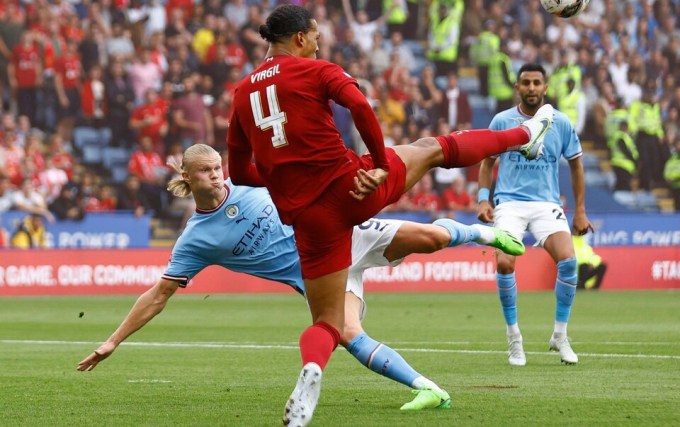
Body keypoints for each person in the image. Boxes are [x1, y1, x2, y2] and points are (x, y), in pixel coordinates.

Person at [226, 5, 552, 425]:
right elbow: (360, 105)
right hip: (354, 187)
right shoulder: (316, 69)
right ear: (301, 39)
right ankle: (526, 134)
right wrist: (378, 161)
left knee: (328, 323)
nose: (320, 43)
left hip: (309, 218)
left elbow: (238, 172)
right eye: (317, 36)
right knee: (432, 148)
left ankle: (311, 371)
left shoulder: (241, 93)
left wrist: (286, 182)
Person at [76, 144, 526, 413]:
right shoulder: (196, 239)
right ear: (187, 177)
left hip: (343, 236)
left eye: (218, 167)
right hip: (321, 277)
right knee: (350, 334)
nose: (216, 174)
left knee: (426, 237)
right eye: (206, 171)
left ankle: (488, 233)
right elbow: (159, 294)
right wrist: (113, 340)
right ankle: (429, 390)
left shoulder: (252, 182)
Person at [477, 63, 594, 367]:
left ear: (545, 87)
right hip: (509, 204)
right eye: (525, 83)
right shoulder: (502, 121)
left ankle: (560, 334)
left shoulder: (561, 122)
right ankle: (514, 337)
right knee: (504, 262)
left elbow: (577, 165)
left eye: (536, 83)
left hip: (546, 204)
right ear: (517, 87)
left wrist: (580, 211)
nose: (531, 88)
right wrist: (482, 200)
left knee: (569, 261)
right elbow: (487, 162)